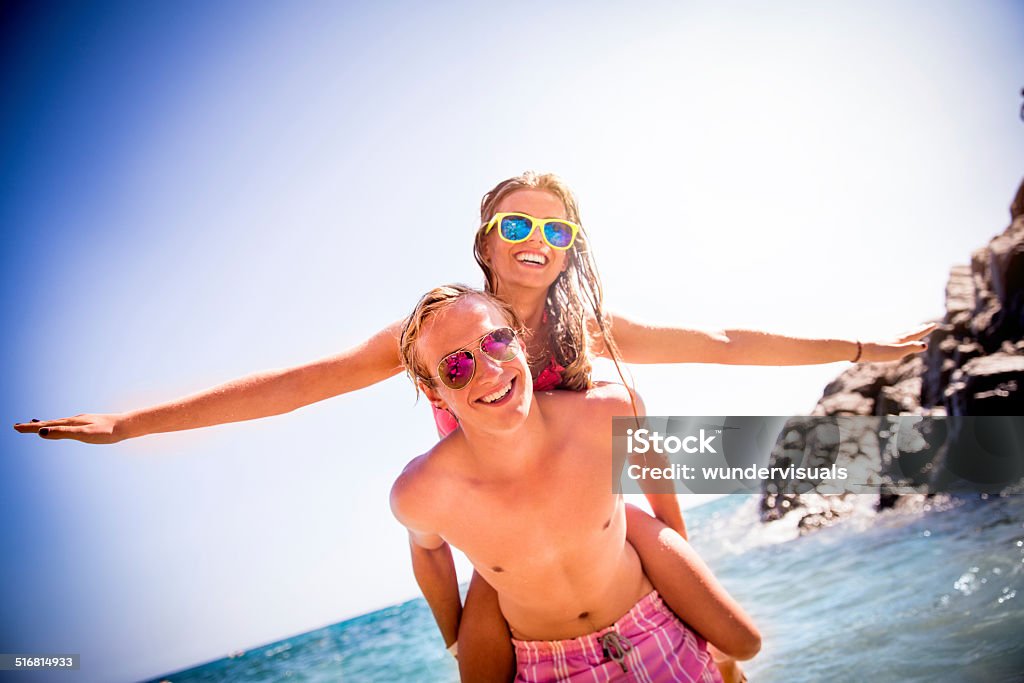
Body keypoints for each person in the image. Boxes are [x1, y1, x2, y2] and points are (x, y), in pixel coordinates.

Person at [14, 171, 932, 678]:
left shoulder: (589, 330)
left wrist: (870, 347)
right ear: (485, 239)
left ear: (574, 247)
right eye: (517, 226)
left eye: (557, 232)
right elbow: (292, 386)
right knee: (479, 653)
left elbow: (724, 343)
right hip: (500, 541)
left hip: (607, 522)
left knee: (723, 642)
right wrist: (127, 424)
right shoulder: (439, 329)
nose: (537, 245)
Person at [391, 284, 761, 681]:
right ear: (435, 393)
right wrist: (455, 642)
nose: (491, 371)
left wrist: (682, 573)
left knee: (745, 643)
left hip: (653, 624)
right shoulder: (423, 492)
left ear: (519, 339)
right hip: (548, 664)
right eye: (456, 368)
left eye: (497, 342)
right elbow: (428, 552)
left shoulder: (610, 412)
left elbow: (653, 469)